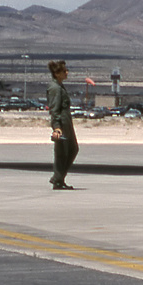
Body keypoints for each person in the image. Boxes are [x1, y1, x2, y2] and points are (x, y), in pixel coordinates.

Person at [46, 60, 78, 190]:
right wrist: (57, 127)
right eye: (64, 71)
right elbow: (54, 109)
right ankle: (57, 179)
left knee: (72, 149)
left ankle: (59, 178)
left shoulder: (60, 86)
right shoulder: (55, 88)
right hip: (62, 124)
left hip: (67, 122)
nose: (67, 73)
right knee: (62, 153)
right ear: (57, 73)